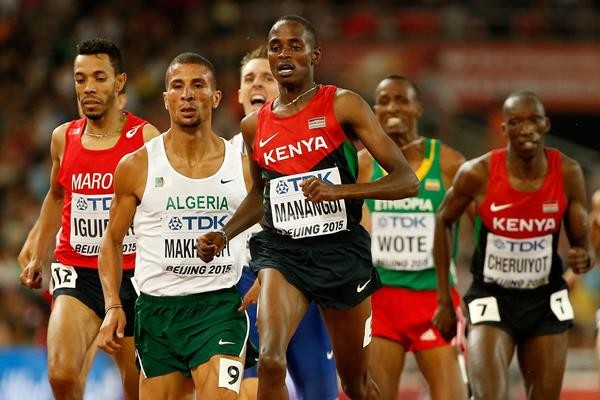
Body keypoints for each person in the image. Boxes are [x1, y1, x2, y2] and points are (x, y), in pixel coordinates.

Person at [198, 15, 419, 400]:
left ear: (314, 55)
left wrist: (341, 192)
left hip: (341, 254)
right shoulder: (254, 126)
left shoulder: (343, 104)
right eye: (276, 47)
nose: (284, 54)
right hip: (284, 254)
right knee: (270, 360)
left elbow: (406, 180)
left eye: (295, 46)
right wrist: (224, 233)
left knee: (355, 384)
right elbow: (261, 196)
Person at [97, 52, 252, 399]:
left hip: (219, 308)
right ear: (166, 98)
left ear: (216, 97)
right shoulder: (137, 166)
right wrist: (112, 305)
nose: (187, 95)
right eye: (178, 87)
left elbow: (270, 228)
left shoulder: (242, 167)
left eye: (198, 85)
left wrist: (265, 278)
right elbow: (112, 241)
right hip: (157, 312)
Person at [18, 38, 160, 400]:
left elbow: (161, 206)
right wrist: (38, 252)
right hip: (76, 271)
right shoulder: (63, 137)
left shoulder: (145, 138)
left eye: (99, 77)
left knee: (136, 389)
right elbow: (56, 196)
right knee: (61, 374)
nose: (88, 88)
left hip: (132, 275)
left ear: (119, 81)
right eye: (80, 79)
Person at [432, 91, 594, 400]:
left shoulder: (568, 173)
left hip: (545, 300)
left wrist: (583, 257)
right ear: (504, 129)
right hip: (492, 296)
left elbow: (583, 248)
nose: (526, 129)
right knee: (488, 396)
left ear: (546, 124)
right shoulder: (478, 173)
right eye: (516, 122)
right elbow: (443, 220)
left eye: (533, 120)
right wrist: (444, 299)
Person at [233, 45, 338, 400]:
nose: (257, 84)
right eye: (249, 78)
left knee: (321, 393)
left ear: (282, 86)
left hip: (304, 279)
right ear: (239, 93)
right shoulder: (219, 156)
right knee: (251, 390)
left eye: (266, 77)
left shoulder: (310, 148)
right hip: (243, 286)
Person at [358, 76, 467, 400]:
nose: (392, 107)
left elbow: (482, 222)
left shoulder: (449, 163)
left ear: (417, 108)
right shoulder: (362, 165)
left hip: (435, 300)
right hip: (381, 300)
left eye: (401, 100)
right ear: (375, 110)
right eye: (384, 101)